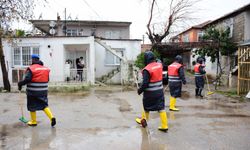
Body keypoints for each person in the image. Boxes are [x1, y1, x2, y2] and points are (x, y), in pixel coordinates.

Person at [18, 54, 56, 127]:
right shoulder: (45, 69)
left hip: (33, 91)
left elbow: (27, 79)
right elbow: (47, 79)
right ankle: (52, 117)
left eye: (31, 59)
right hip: (43, 91)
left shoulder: (31, 68)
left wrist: (20, 83)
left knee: (32, 106)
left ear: (33, 60)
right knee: (44, 105)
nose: (31, 61)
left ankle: (33, 121)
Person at [135, 51, 168, 132]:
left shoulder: (147, 69)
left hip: (150, 93)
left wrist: (139, 90)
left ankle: (143, 120)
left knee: (146, 108)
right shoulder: (159, 65)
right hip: (159, 92)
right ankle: (164, 126)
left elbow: (145, 83)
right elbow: (160, 63)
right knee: (161, 108)